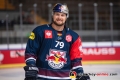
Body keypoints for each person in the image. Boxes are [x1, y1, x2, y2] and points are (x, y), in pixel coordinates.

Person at [24, 3, 90, 80]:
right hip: (42, 77)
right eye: (57, 14)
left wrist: (80, 73)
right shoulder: (39, 31)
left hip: (65, 78)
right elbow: (31, 52)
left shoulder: (74, 37)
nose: (59, 17)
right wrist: (31, 66)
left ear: (66, 17)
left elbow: (76, 60)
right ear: (53, 15)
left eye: (62, 15)